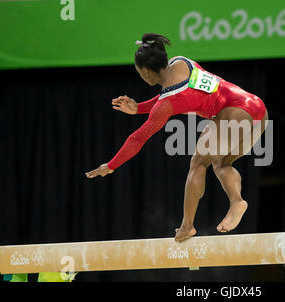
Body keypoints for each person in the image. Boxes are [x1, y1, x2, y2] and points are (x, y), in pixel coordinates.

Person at [85, 33, 268, 242]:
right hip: (257, 110)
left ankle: (187, 226)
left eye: (139, 73)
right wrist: (139, 109)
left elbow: (138, 138)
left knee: (198, 162)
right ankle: (236, 202)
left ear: (145, 71)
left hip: (234, 112)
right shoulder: (181, 62)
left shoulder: (167, 103)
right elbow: (172, 95)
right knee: (221, 163)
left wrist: (110, 165)